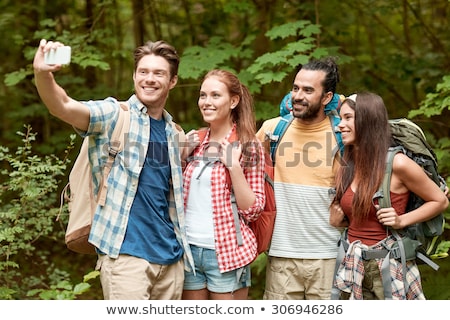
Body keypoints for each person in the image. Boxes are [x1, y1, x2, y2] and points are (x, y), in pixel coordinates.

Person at [33, 39, 194, 300]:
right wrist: (43, 74)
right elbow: (62, 105)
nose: (149, 79)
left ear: (172, 81)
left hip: (171, 262)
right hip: (126, 257)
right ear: (134, 76)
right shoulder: (113, 115)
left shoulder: (175, 134)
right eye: (143, 72)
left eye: (158, 73)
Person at [329, 92, 448, 299]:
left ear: (368, 120)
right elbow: (354, 217)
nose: (340, 125)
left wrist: (401, 220)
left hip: (389, 267)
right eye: (340, 118)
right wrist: (337, 219)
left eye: (348, 117)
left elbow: (440, 200)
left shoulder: (397, 163)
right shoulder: (347, 165)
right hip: (352, 266)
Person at [256, 57, 343, 299]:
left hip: (328, 255)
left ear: (327, 97)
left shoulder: (342, 135)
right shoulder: (272, 130)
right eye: (295, 88)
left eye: (308, 90)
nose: (298, 96)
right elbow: (244, 177)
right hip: (281, 254)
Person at [181, 69, 265, 300]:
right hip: (188, 250)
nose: (206, 102)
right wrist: (179, 158)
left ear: (233, 101)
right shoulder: (194, 142)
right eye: (203, 95)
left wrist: (234, 167)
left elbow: (254, 209)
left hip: (226, 253)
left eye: (215, 95)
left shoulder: (248, 145)